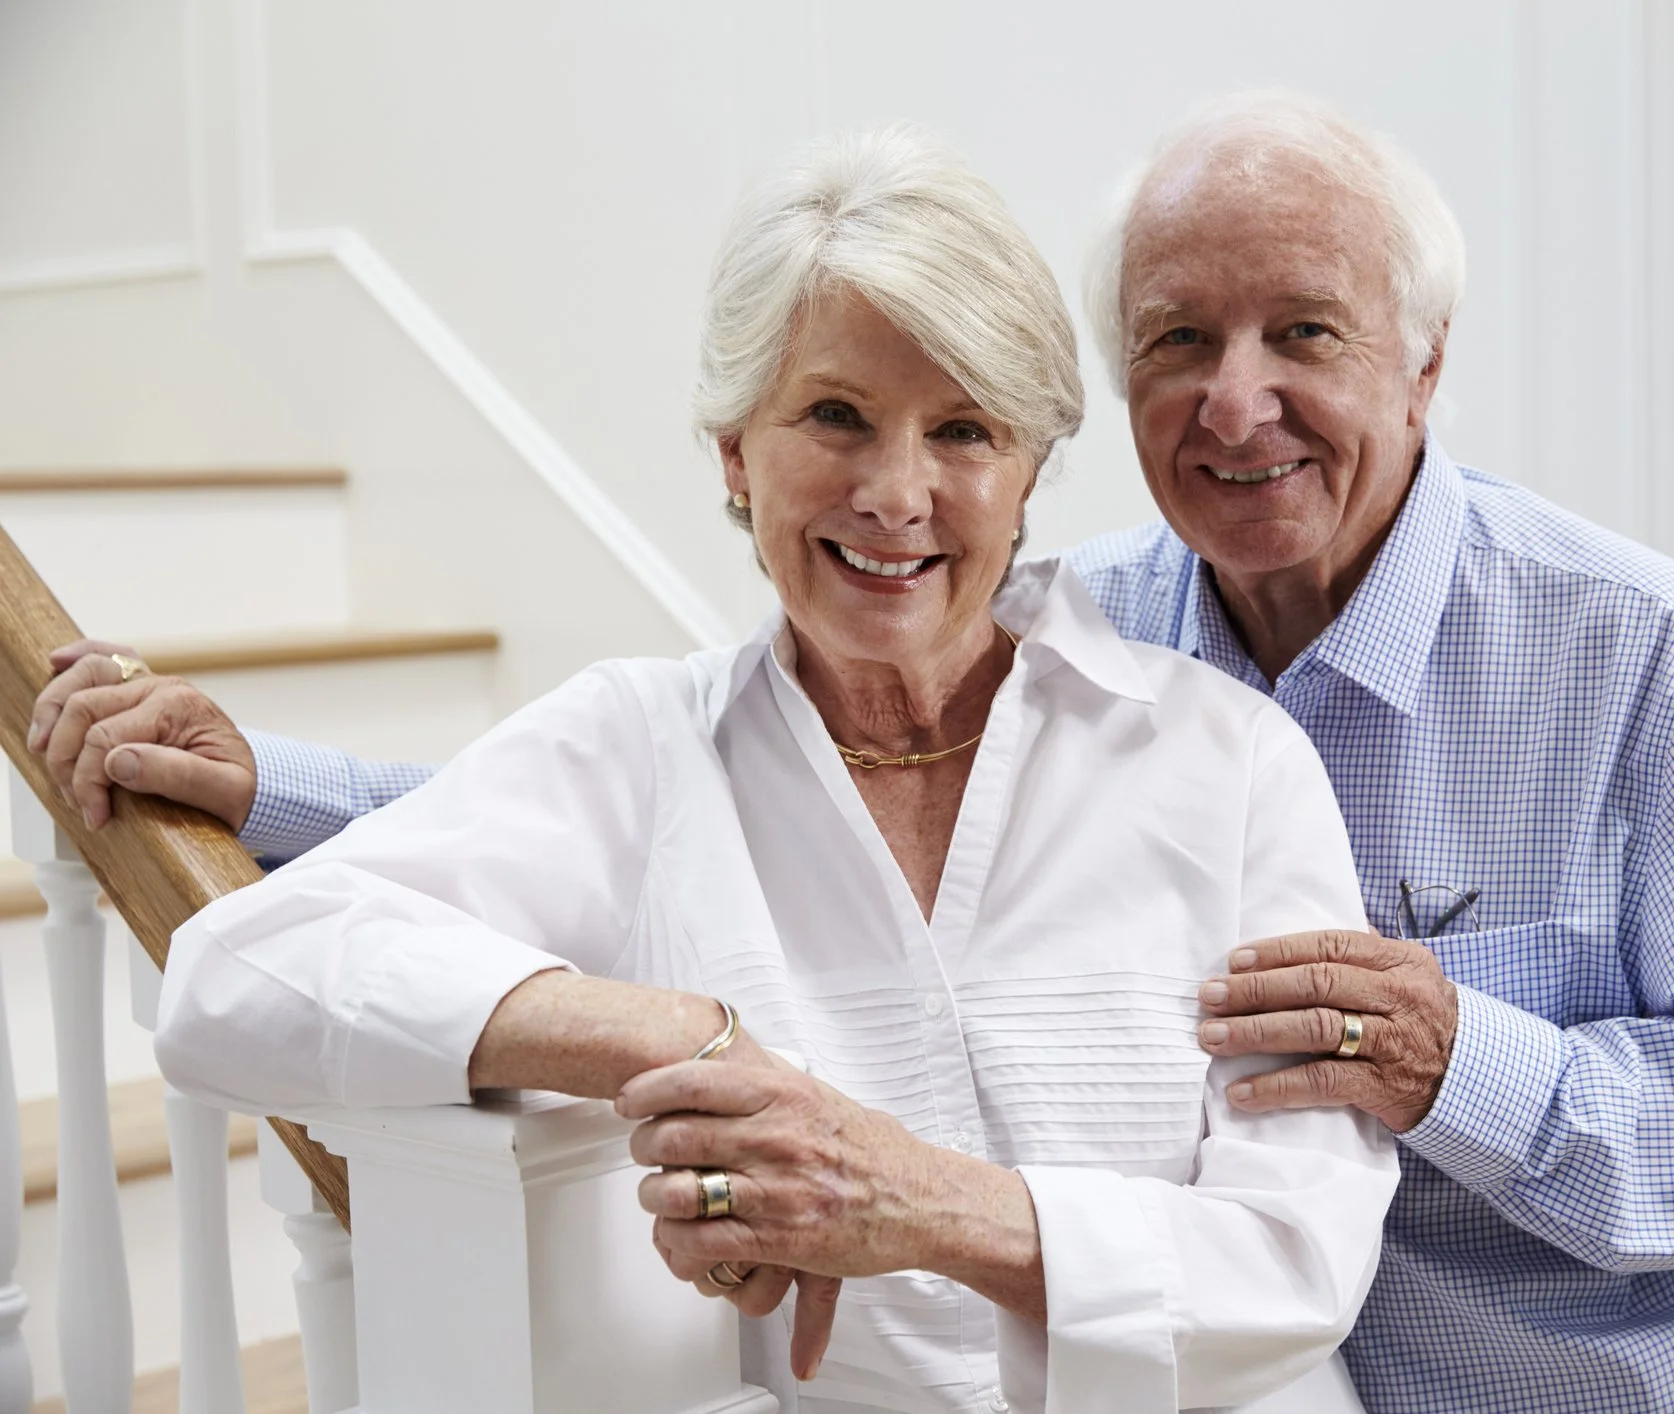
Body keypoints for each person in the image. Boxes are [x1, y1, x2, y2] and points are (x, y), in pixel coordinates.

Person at [31, 93, 1674, 1413]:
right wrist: (629, 1008)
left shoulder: (1628, 659)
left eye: (1306, 332)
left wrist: (1464, 1058)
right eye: (1179, 338)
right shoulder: (1094, 608)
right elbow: (660, 776)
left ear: (1424, 362)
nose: (1238, 399)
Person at [134, 129, 1401, 1414]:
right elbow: (229, 977)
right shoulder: (641, 747)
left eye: (963, 430)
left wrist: (916, 1204)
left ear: (1028, 476)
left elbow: (1298, 1261)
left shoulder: (1231, 762)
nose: (896, 494)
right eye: (836, 416)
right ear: (738, 451)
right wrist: (671, 1032)